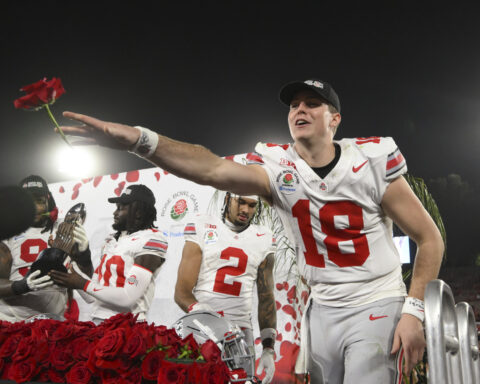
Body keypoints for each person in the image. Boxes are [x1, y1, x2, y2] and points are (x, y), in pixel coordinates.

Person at [58, 78, 444, 383]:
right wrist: (140, 140)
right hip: (322, 307)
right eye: (294, 105)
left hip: (375, 299)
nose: (300, 110)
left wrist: (413, 310)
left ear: (335, 119)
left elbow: (429, 238)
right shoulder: (278, 168)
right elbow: (209, 167)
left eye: (312, 104)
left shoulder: (371, 161)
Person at [174, 192, 277, 383]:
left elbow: (266, 297)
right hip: (202, 328)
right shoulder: (203, 225)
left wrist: (269, 348)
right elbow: (182, 292)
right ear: (228, 197)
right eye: (241, 202)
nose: (246, 210)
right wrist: (202, 314)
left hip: (239, 335)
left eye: (252, 205)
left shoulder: (263, 237)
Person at [50, 184, 168, 323]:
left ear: (139, 212)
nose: (114, 213)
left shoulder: (151, 239)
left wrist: (82, 283)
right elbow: (92, 296)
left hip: (128, 326)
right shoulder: (112, 240)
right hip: (98, 322)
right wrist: (70, 264)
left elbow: (127, 297)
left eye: (121, 208)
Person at [0, 175, 67, 321]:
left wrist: (84, 255)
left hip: (52, 320)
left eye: (39, 201)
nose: (34, 208)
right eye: (28, 202)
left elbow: (80, 278)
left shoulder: (62, 228)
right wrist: (22, 286)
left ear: (48, 201)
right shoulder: (5, 234)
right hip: (13, 319)